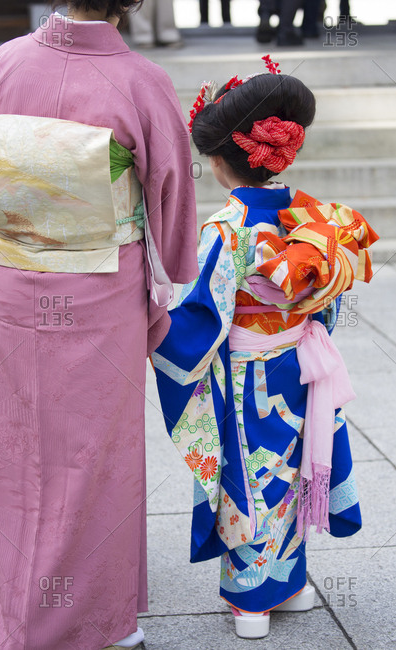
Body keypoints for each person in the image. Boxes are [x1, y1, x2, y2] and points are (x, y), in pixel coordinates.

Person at [0, 1, 198, 649]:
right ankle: (98, 623)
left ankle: (26, 615)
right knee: (97, 457)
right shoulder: (140, 80)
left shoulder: (0, 65)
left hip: (13, 283)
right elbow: (172, 187)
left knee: (22, 452)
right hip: (101, 288)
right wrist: (175, 264)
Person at [153, 59, 378, 638]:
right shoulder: (311, 217)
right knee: (302, 464)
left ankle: (252, 600)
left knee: (253, 474)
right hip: (302, 365)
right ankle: (294, 584)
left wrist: (150, 328)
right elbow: (320, 299)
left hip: (250, 377)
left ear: (223, 163)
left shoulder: (227, 229)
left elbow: (202, 316)